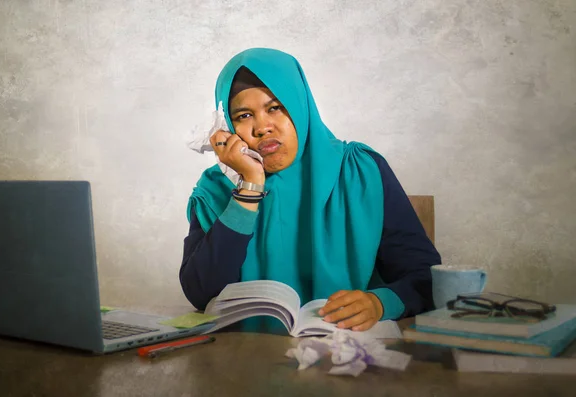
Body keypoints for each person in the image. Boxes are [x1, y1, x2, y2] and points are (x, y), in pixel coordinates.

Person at [180, 48, 441, 331]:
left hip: (344, 357)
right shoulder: (215, 189)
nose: (262, 128)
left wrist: (379, 304)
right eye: (243, 116)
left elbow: (424, 278)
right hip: (244, 361)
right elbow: (200, 292)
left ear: (300, 105)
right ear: (227, 125)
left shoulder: (359, 171)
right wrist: (249, 188)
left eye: (275, 108)